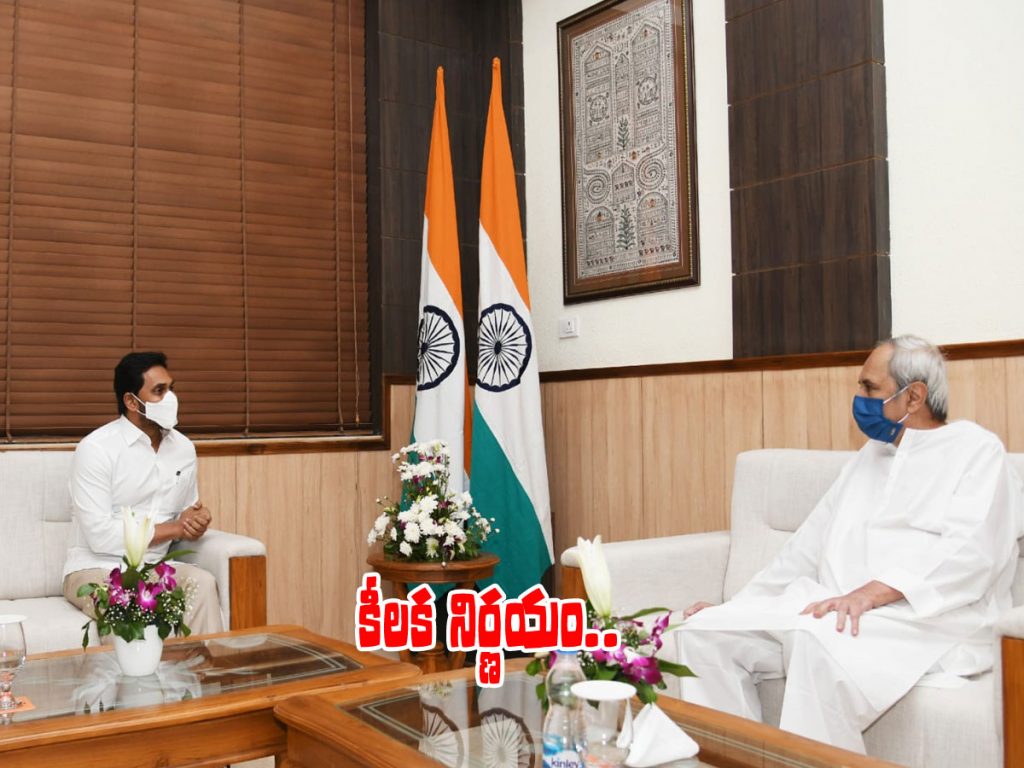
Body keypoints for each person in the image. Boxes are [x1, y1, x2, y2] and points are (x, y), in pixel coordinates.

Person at [672, 335, 1024, 753]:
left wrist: (872, 593)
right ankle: (732, 759)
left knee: (816, 640)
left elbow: (973, 555)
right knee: (702, 633)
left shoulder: (977, 450)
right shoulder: (870, 456)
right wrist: (737, 607)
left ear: (913, 397)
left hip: (926, 619)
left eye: (870, 388)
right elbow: (805, 548)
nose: (859, 399)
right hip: (838, 608)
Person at [62, 352, 224, 637]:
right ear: (131, 401)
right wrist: (176, 528)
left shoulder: (183, 448)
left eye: (171, 388)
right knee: (126, 601)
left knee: (202, 583)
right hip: (95, 567)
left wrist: (196, 520)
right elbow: (100, 535)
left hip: (157, 567)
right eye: (159, 391)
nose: (170, 398)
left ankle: (202, 666)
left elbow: (186, 513)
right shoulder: (96, 449)